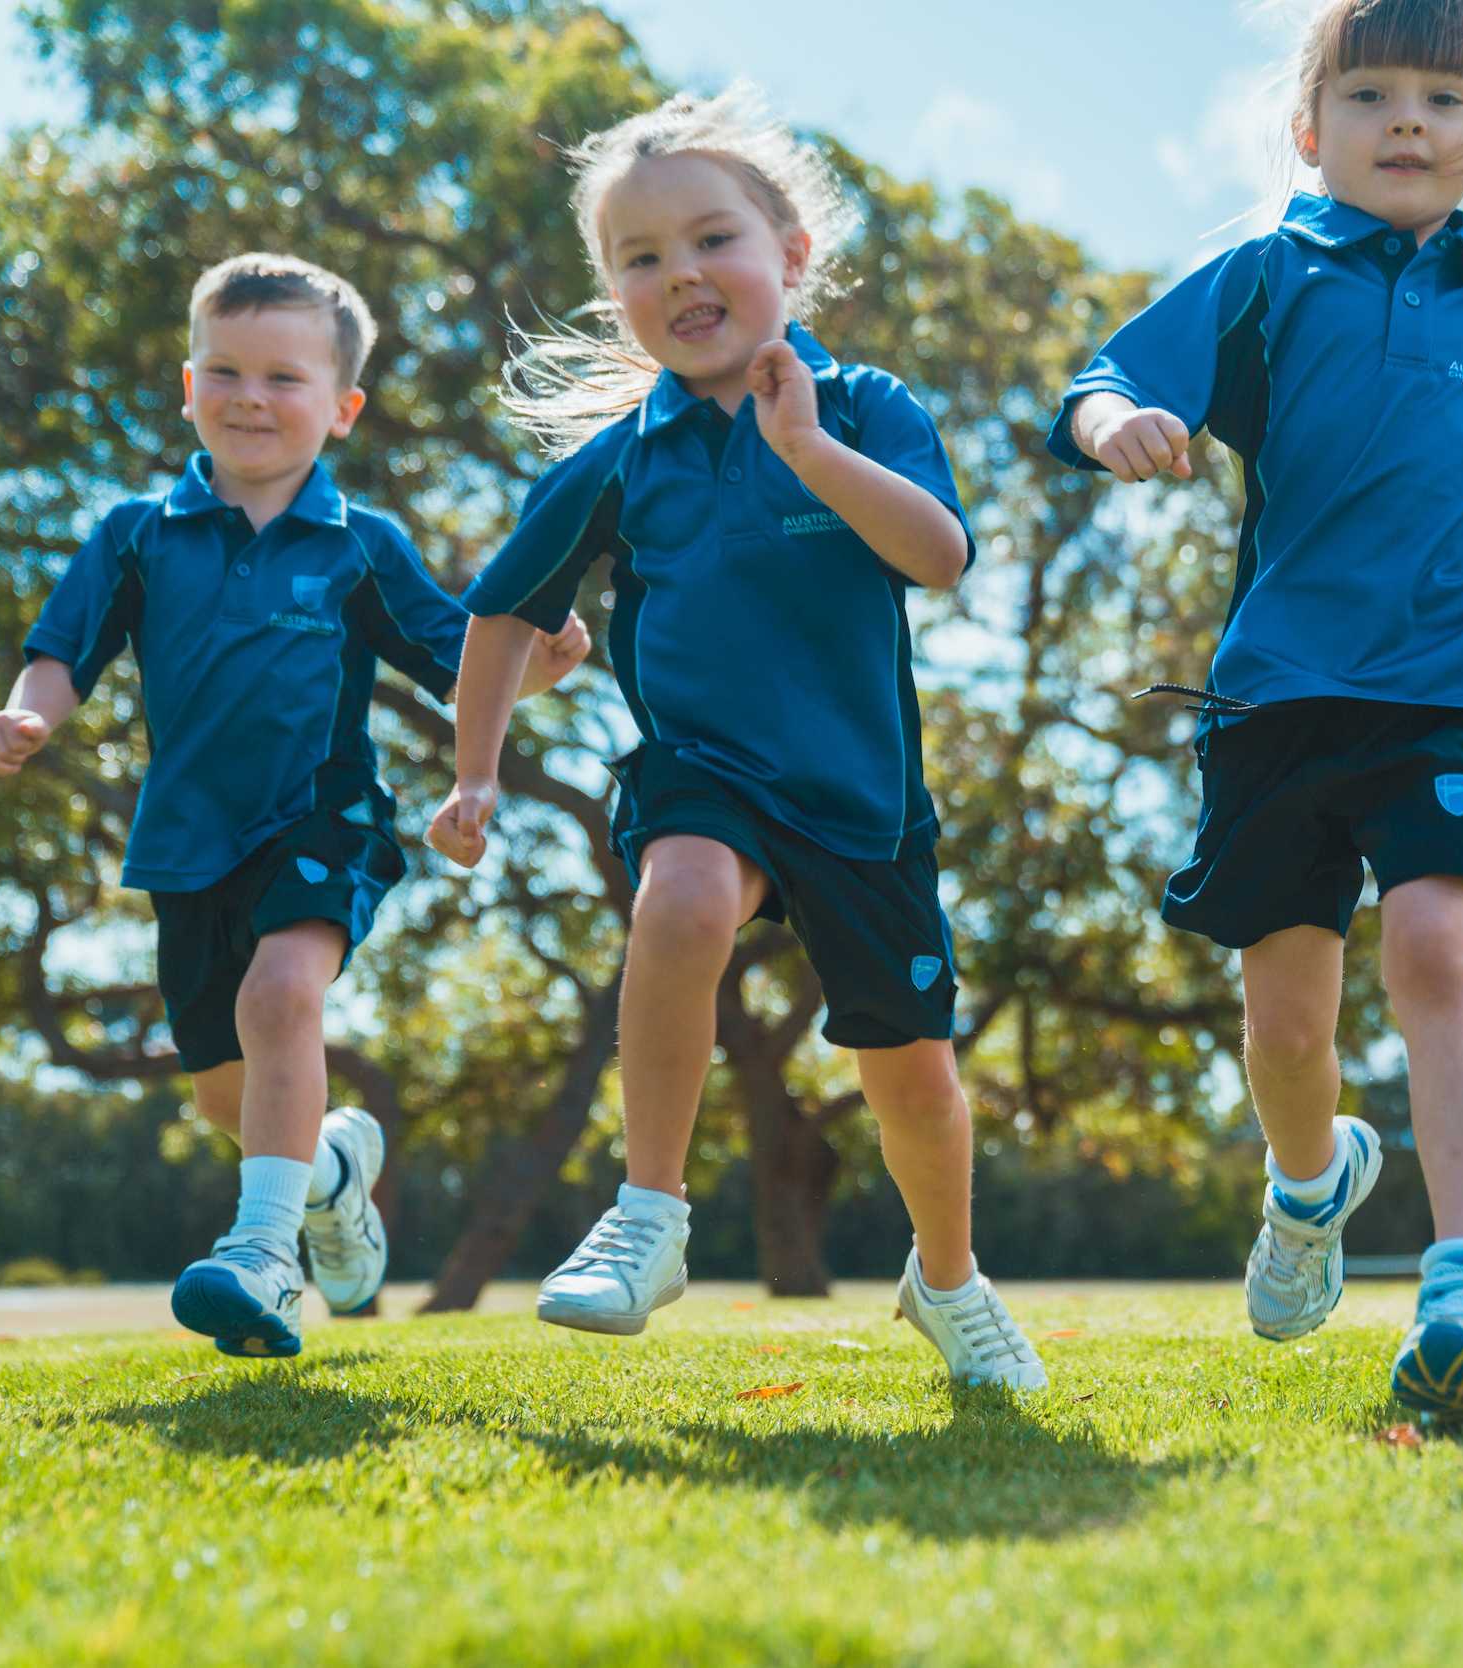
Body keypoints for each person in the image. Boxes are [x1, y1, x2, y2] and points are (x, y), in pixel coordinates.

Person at [429, 87, 1045, 1389]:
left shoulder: (867, 409)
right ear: (617, 300)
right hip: (704, 770)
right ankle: (650, 1213)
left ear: (792, 259)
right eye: (639, 259)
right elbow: (500, 614)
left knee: (914, 1083)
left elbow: (939, 555)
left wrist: (808, 448)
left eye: (711, 239)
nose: (681, 274)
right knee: (682, 896)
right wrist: (476, 771)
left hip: (864, 802)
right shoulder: (618, 459)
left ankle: (947, 1278)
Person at [1049, 0, 1463, 1423]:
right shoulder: (1268, 267)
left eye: (1443, 104)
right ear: (1307, 129)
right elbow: (1107, 375)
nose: (1407, 123)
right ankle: (1309, 1185)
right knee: (1287, 1016)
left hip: (1452, 683)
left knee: (1438, 945)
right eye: (1372, 95)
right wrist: (1118, 427)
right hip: (1278, 693)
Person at [0, 253, 588, 1356]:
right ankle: (335, 1170)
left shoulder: (362, 544)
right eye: (227, 370)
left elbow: (459, 666)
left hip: (322, 813)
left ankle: (262, 1259)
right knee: (228, 1097)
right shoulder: (135, 533)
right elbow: (63, 651)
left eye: (284, 378)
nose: (252, 396)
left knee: (282, 991)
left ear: (342, 407)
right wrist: (28, 717)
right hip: (184, 842)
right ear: (188, 384)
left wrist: (534, 669)